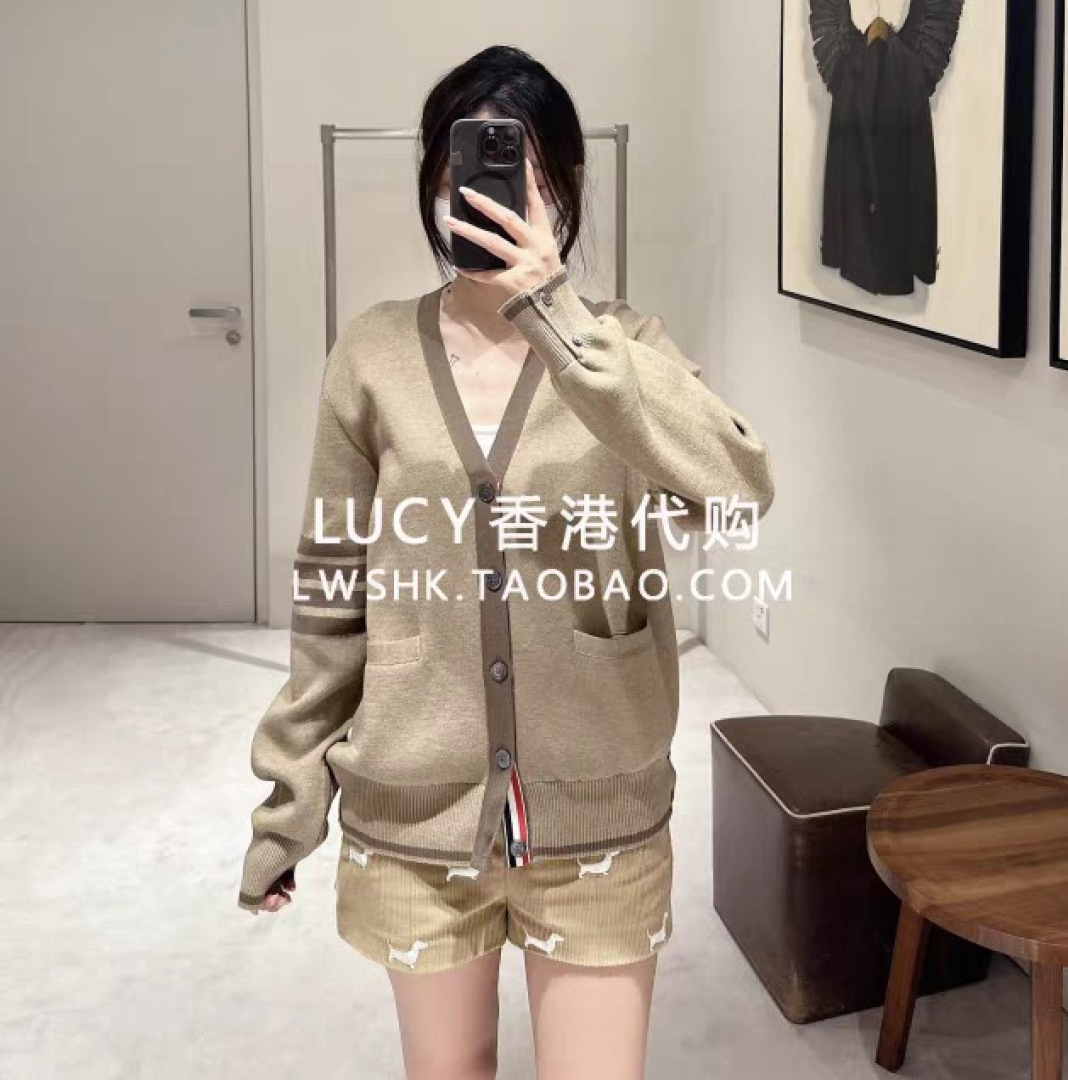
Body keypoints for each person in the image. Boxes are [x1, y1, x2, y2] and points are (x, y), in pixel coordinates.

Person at [238, 44, 775, 1080]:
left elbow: (738, 486)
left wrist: (555, 311)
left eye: (516, 171)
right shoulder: (372, 354)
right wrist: (289, 801)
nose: (483, 197)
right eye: (461, 171)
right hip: (415, 813)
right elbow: (330, 587)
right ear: (434, 185)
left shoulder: (627, 347)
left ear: (564, 184)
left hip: (600, 811)